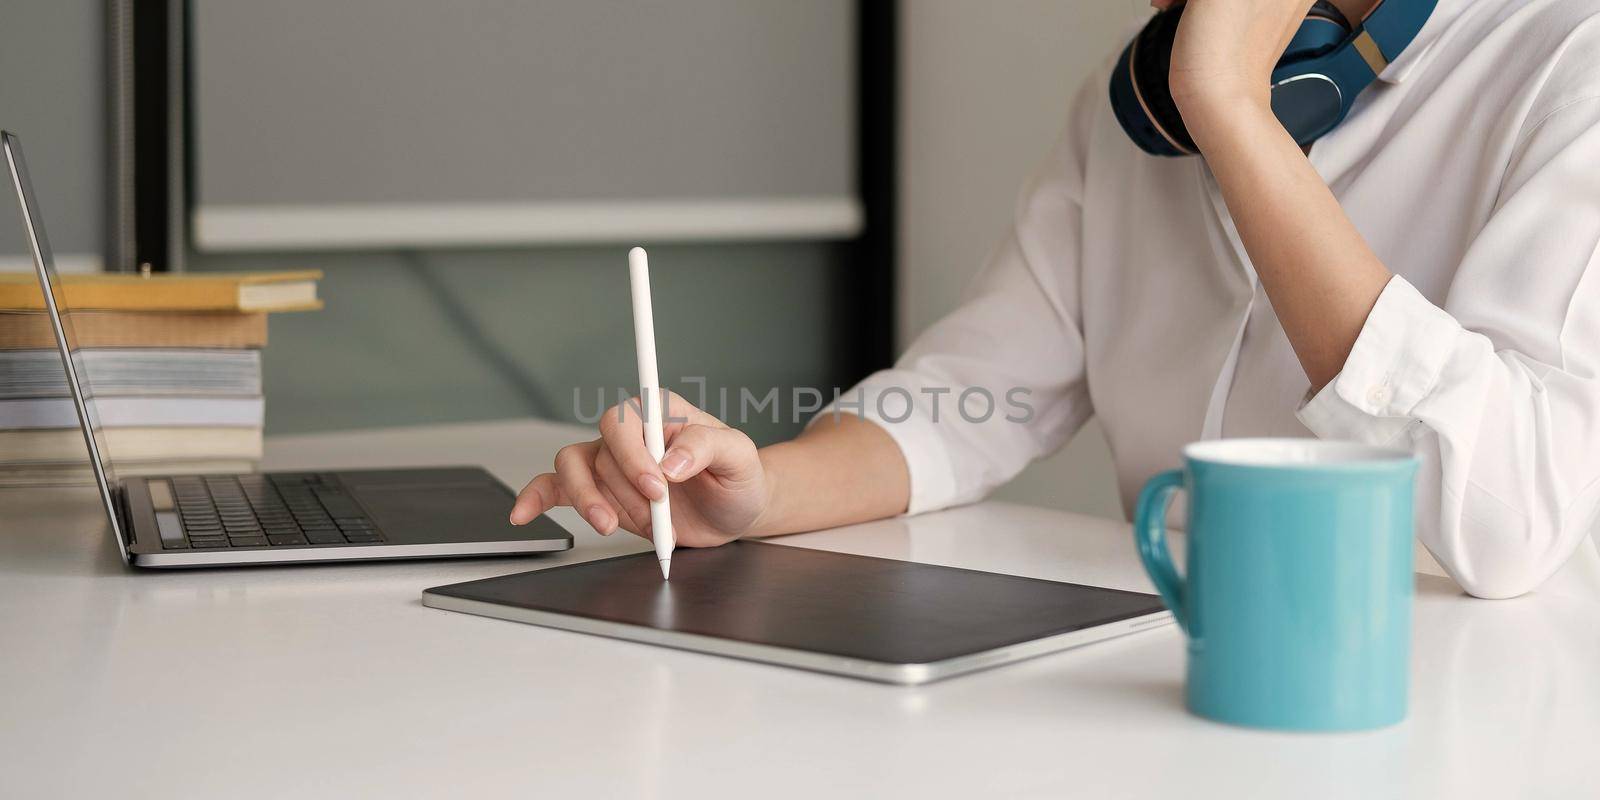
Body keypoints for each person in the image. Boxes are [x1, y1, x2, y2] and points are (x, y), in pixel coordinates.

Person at [510, 0, 1600, 600]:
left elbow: (1505, 520)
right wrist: (753, 492)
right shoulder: (1133, 102)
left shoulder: (1567, 63)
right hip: (1166, 678)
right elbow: (964, 398)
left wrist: (1229, 111)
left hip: (1457, 714)